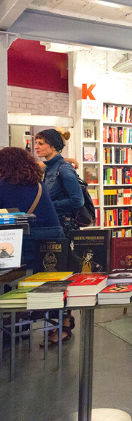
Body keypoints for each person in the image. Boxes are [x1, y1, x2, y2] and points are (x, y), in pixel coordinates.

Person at [0, 147, 72, 346]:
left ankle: (15, 318)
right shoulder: (37, 184)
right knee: (54, 280)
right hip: (54, 237)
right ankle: (63, 324)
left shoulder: (2, 185)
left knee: (10, 274)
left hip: (25, 241)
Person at [34, 129, 84, 234]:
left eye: (40, 144)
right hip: (54, 224)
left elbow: (78, 200)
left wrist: (50, 204)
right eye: (36, 143)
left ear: (53, 147)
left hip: (64, 227)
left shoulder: (64, 169)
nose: (36, 147)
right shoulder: (50, 167)